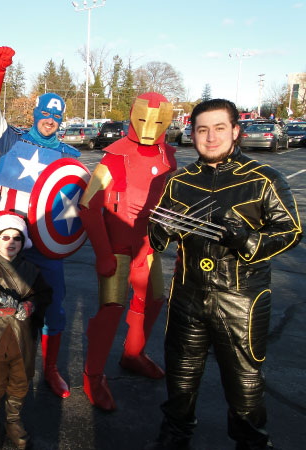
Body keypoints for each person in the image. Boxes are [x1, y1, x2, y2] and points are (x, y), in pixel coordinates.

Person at [146, 99, 302, 450]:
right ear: (194, 134)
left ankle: (251, 443)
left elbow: (290, 232)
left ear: (235, 131)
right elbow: (157, 235)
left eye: (219, 128)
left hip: (242, 299)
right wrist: (160, 230)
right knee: (180, 379)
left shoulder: (264, 179)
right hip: (187, 296)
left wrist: (246, 239)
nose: (210, 137)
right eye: (202, 129)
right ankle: (174, 436)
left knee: (245, 385)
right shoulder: (180, 181)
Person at [0, 46, 80, 399]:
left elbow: (82, 201)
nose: (50, 119)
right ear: (36, 114)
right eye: (45, 113)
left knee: (53, 307)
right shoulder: (12, 141)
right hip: (10, 244)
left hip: (47, 245)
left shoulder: (67, 156)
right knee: (1, 308)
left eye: (55, 116)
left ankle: (49, 370)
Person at [78, 92, 177, 411]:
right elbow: (88, 207)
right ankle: (92, 375)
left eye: (159, 120)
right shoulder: (113, 158)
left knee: (154, 300)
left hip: (147, 246)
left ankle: (133, 353)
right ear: (134, 115)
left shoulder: (168, 158)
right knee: (111, 308)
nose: (150, 127)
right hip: (117, 246)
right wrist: (103, 253)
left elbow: (170, 202)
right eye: (145, 118)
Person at [0, 212, 52, 450]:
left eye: (16, 238)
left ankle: (13, 420)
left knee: (20, 381)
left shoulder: (31, 270)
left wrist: (30, 305)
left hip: (22, 339)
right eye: (5, 237)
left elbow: (44, 295)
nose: (11, 242)